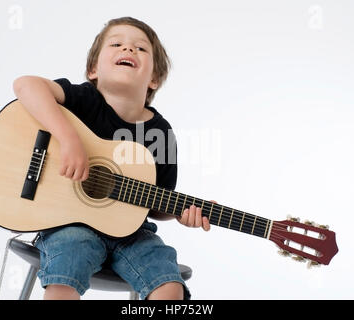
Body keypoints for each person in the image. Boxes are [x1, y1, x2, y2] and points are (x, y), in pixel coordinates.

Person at [13, 17, 211, 300]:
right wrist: (69, 140)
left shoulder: (161, 132)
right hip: (69, 224)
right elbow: (25, 85)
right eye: (116, 44)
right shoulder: (83, 99)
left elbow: (158, 202)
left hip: (133, 235)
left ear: (154, 78)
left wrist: (182, 211)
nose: (128, 50)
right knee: (70, 257)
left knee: (169, 282)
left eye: (141, 49)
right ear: (94, 69)